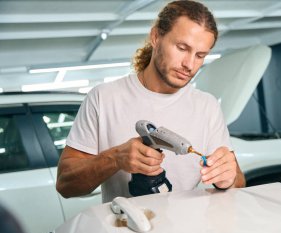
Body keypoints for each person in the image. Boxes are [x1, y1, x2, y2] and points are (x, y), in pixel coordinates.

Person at [56, 0, 246, 203]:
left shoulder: (207, 106)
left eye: (200, 55)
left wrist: (228, 178)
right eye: (182, 48)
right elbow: (65, 185)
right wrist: (116, 157)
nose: (189, 65)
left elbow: (239, 182)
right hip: (126, 229)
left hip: (189, 231)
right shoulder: (103, 98)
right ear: (156, 37)